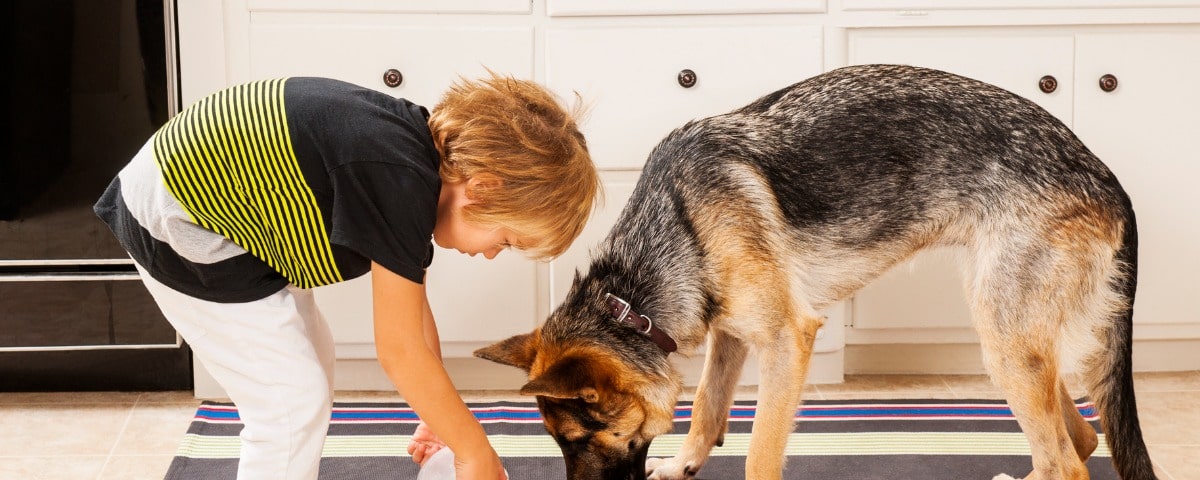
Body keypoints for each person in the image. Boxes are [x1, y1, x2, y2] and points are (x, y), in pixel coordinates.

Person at [94, 73, 599, 479]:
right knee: (290, 402)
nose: (491, 255)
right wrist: (474, 452)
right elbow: (399, 349)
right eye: (504, 240)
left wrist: (438, 416)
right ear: (482, 188)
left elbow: (413, 315)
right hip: (181, 224)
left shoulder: (413, 165)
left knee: (313, 359)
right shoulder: (398, 178)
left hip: (229, 219)